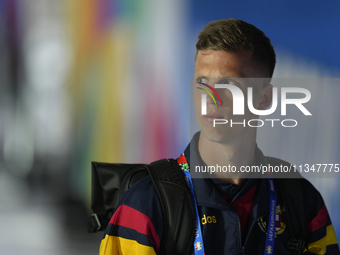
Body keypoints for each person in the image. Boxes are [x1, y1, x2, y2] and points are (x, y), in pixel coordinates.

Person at [99, 18, 339, 255]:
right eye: (202, 82)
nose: (210, 99)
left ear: (264, 99)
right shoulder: (145, 205)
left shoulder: (301, 201)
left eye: (228, 84)